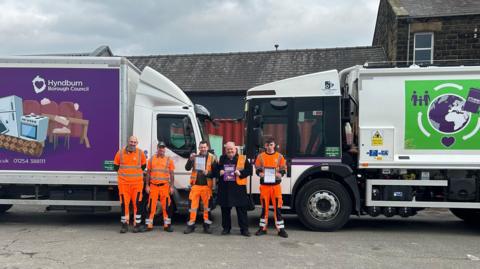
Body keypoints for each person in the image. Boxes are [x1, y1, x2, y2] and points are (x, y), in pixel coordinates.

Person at [254, 137, 288, 238]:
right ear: (265, 146)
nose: (269, 147)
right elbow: (257, 169)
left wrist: (280, 174)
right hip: (264, 186)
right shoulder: (260, 156)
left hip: (276, 186)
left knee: (277, 208)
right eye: (268, 145)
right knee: (264, 208)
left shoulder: (279, 156)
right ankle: (262, 228)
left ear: (274, 145)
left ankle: (281, 229)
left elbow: (283, 169)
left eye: (271, 144)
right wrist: (259, 173)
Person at [216, 141, 252, 237]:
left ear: (235, 149)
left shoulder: (242, 158)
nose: (230, 150)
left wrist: (241, 173)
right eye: (228, 149)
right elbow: (216, 169)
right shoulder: (222, 158)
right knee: (225, 210)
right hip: (225, 189)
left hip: (238, 189)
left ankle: (244, 230)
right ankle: (226, 229)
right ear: (225, 150)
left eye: (231, 149)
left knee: (241, 211)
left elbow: (250, 170)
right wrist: (220, 171)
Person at [113, 136, 147, 233]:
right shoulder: (120, 153)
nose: (132, 143)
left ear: (137, 143)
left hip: (137, 185)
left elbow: (144, 166)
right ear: (128, 142)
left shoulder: (141, 153)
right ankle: (125, 225)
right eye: (131, 142)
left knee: (137, 205)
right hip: (124, 184)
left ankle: (137, 225)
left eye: (134, 142)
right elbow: (115, 166)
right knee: (124, 205)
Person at [184, 140, 217, 234]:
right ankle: (191, 226)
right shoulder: (194, 157)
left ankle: (206, 226)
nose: (203, 149)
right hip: (195, 186)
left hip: (207, 186)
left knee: (207, 208)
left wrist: (208, 173)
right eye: (201, 147)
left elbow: (216, 173)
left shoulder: (212, 158)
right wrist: (190, 159)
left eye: (204, 147)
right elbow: (187, 168)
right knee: (192, 208)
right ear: (199, 148)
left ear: (207, 148)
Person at [145, 141, 175, 232]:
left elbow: (172, 174)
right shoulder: (151, 159)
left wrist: (172, 186)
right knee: (151, 206)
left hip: (164, 186)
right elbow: (148, 174)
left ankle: (167, 225)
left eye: (163, 148)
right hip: (153, 186)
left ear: (164, 149)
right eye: (160, 148)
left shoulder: (169, 160)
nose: (161, 149)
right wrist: (147, 185)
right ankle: (149, 225)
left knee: (166, 206)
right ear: (157, 148)